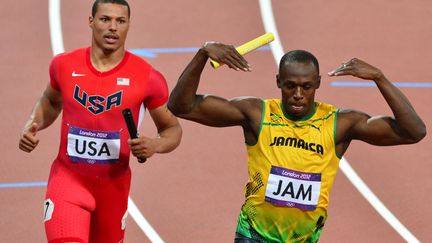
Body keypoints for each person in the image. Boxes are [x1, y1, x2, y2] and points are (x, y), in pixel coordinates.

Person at [167, 42, 426, 242]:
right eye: (290, 86)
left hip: (304, 237)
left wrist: (379, 78)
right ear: (278, 82)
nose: (298, 95)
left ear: (318, 85)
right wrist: (202, 55)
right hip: (253, 233)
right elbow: (181, 106)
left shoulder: (339, 123)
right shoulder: (257, 114)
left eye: (307, 86)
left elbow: (414, 132)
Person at [18, 0, 182, 242]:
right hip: (68, 180)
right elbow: (50, 102)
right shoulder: (63, 65)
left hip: (114, 190)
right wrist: (33, 124)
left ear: (128, 25)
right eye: (105, 19)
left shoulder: (148, 78)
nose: (113, 27)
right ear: (91, 21)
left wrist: (155, 145)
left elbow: (172, 129)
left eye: (120, 21)